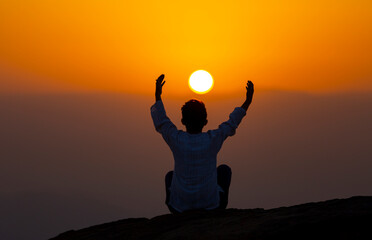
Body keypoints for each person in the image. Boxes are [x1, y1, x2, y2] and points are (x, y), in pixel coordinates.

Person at [150, 74, 254, 213]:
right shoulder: (213, 139)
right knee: (224, 170)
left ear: (183, 121)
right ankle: (219, 208)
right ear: (205, 122)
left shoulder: (176, 138)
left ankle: (179, 205)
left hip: (179, 208)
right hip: (210, 205)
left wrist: (158, 95)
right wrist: (247, 101)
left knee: (170, 176)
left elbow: (162, 121)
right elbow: (231, 123)